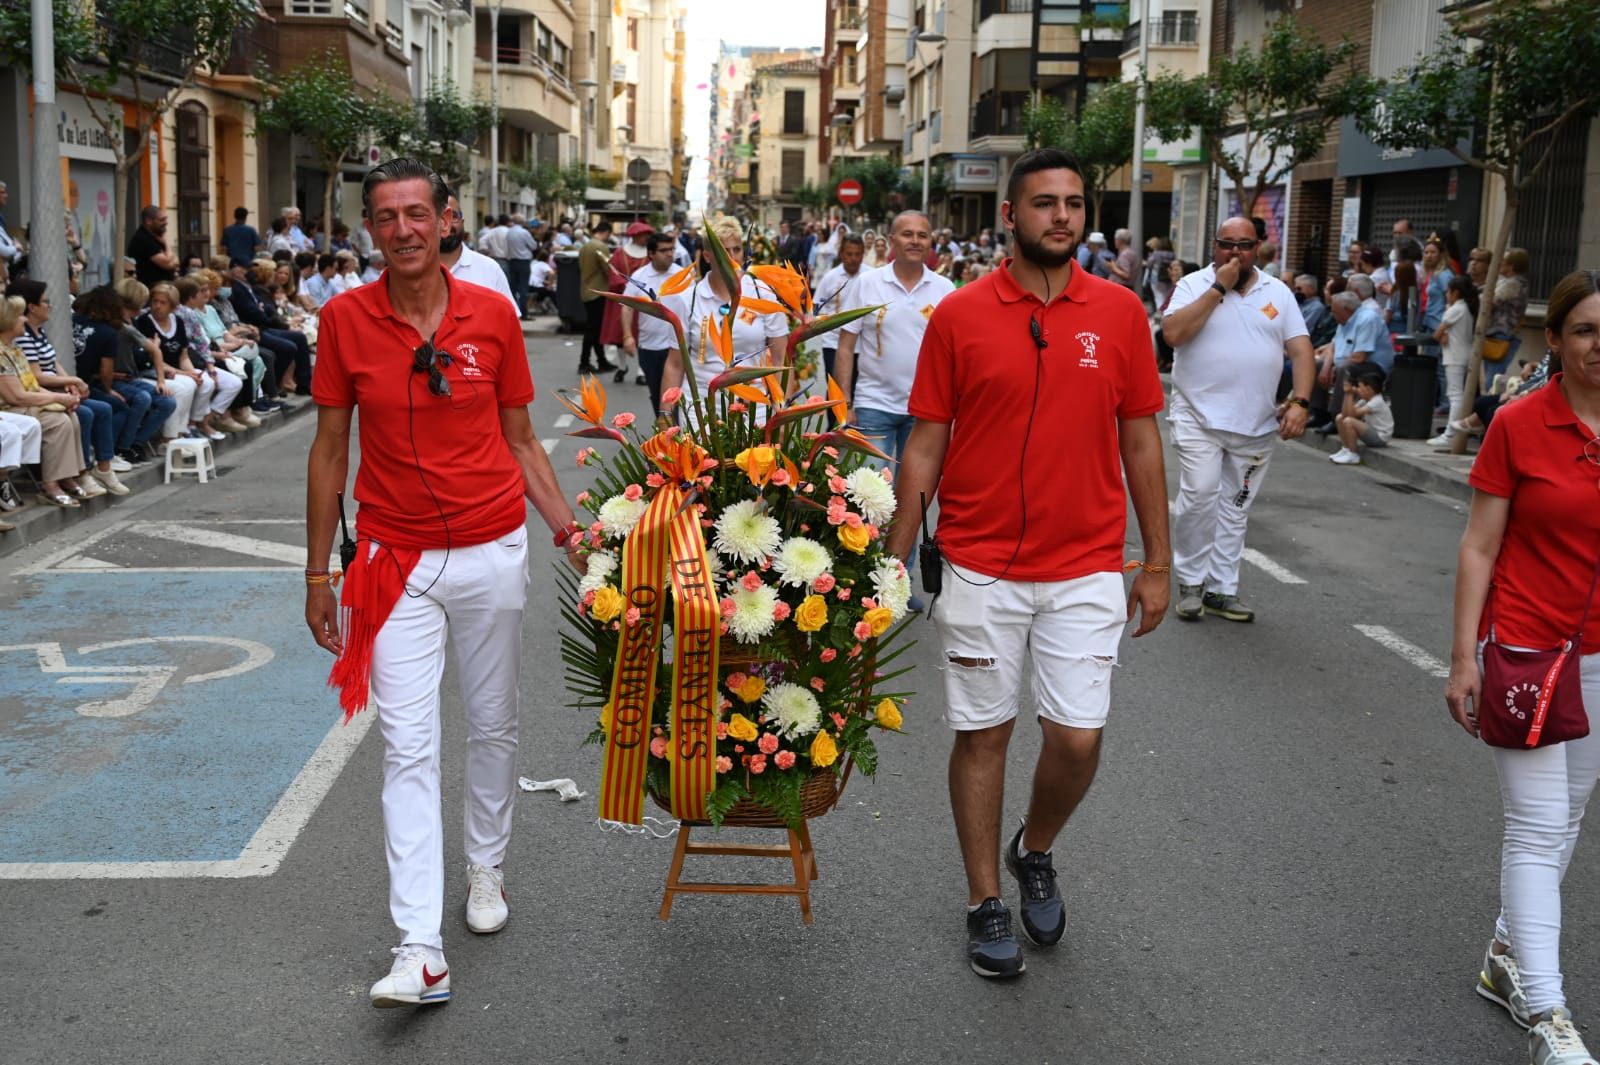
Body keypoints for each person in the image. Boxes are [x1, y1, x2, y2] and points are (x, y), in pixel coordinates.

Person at [304, 157, 582, 1010]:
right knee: (408, 747)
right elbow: (328, 451)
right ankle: (419, 946)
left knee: (493, 725)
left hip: (493, 549)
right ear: (369, 229)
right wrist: (317, 569)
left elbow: (523, 439)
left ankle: (487, 868)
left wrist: (574, 534)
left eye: (416, 213)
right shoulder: (345, 321)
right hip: (396, 562)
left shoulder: (492, 315)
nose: (402, 231)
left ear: (446, 218)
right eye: (385, 218)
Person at [886, 148, 1170, 980]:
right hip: (978, 564)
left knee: (1077, 738)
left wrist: (1156, 560)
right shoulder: (958, 316)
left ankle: (1032, 847)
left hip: (1085, 563)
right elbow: (925, 443)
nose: (1061, 218)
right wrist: (892, 560)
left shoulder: (1120, 314)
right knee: (985, 731)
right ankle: (984, 900)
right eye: (1044, 203)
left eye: (1074, 204)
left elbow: (1142, 437)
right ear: (1009, 216)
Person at [1445, 269, 1600, 1065]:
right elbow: (1479, 545)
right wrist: (1463, 657)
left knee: (1568, 817)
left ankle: (1508, 954)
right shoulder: (1519, 424)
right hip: (1530, 651)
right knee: (1539, 829)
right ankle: (1549, 1014)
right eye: (1585, 330)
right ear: (1557, 340)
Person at [1161, 216, 1314, 624]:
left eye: (1244, 245)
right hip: (1197, 416)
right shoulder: (1194, 285)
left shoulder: (1277, 293)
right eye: (1227, 244)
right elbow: (1173, 334)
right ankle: (1191, 582)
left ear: (1259, 248)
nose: (1235, 252)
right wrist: (1219, 288)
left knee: (1235, 507)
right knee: (1199, 495)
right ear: (1214, 246)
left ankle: (1221, 589)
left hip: (1255, 425)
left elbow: (1300, 350)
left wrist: (1300, 401)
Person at [836, 211, 955, 468]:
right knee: (867, 495)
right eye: (907, 234)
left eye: (922, 235)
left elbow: (955, 354)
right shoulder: (867, 283)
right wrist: (844, 403)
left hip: (925, 411)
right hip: (873, 404)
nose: (915, 241)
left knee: (910, 499)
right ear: (892, 240)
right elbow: (846, 346)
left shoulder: (945, 289)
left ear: (930, 242)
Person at [660, 216, 787, 411]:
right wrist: (665, 414)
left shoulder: (763, 293)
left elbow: (781, 357)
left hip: (755, 405)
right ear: (708, 256)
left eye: (737, 249)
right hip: (702, 409)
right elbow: (675, 363)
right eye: (724, 251)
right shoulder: (689, 299)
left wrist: (781, 406)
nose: (733, 257)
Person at [9, 279, 121, 496]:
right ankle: (79, 472)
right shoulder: (23, 338)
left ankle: (103, 467)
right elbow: (36, 376)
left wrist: (70, 381)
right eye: (45, 301)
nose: (49, 305)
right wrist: (70, 385)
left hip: (52, 389)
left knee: (104, 409)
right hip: (41, 390)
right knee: (85, 413)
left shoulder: (38, 332)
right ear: (31, 307)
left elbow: (54, 363)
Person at [0, 294, 88, 506]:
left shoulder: (14, 349)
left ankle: (67, 476)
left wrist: (63, 399)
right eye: (20, 315)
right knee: (57, 422)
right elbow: (16, 396)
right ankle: (50, 484)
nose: (24, 319)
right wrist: (58, 398)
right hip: (10, 408)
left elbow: (31, 384)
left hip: (23, 404)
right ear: (9, 320)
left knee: (71, 416)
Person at [620, 233, 682, 418]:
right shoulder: (640, 276)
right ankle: (666, 433)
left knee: (678, 398)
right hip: (650, 348)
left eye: (671, 249)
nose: (670, 254)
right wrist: (627, 336)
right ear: (651, 253)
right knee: (658, 396)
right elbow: (627, 308)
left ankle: (678, 437)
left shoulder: (682, 274)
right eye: (664, 251)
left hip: (678, 347)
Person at [437, 191, 518, 314]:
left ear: (462, 222)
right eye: (439, 216)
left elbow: (510, 322)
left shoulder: (490, 269)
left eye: (453, 216)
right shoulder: (409, 270)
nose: (445, 224)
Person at [1428, 276, 1481, 450]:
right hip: (1462, 353)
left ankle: (1450, 433)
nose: (1446, 294)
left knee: (1455, 395)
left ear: (1455, 293)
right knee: (1457, 394)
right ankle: (1452, 431)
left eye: (1448, 291)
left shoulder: (1455, 309)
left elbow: (1438, 335)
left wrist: (1443, 334)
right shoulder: (1466, 308)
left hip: (1455, 356)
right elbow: (1443, 336)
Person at [812, 234, 867, 388]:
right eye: (849, 254)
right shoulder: (830, 277)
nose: (854, 259)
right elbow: (816, 307)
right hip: (833, 342)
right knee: (835, 387)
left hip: (862, 343)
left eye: (858, 254)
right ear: (841, 254)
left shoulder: (870, 277)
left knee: (857, 387)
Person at [604, 222, 653, 384]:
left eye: (648, 234)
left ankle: (641, 370)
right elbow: (612, 273)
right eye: (643, 234)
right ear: (635, 236)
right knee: (620, 336)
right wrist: (625, 285)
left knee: (641, 336)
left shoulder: (650, 254)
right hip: (621, 300)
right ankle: (622, 366)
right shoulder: (620, 253)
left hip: (642, 301)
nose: (646, 237)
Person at [1330, 364, 1392, 465]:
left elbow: (1351, 416)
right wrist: (1347, 394)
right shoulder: (1365, 400)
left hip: (1380, 438)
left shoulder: (1377, 402)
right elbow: (1346, 414)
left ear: (1369, 389)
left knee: (1349, 422)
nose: (1357, 389)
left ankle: (1353, 454)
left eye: (1359, 387)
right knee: (1339, 417)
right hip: (1371, 432)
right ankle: (1346, 449)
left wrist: (1349, 394)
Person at [578, 221, 617, 375]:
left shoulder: (585, 246)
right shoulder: (600, 247)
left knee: (594, 329)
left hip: (587, 290)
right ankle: (585, 362)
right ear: (606, 232)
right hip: (598, 292)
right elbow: (609, 270)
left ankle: (600, 361)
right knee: (593, 329)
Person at [127, 206, 178, 288]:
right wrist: (166, 244)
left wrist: (170, 259)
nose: (166, 223)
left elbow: (176, 262)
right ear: (148, 221)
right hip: (150, 289)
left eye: (165, 219)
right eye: (161, 220)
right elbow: (166, 263)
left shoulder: (156, 236)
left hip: (163, 286)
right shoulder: (143, 239)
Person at [505, 215, 537, 318]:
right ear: (522, 222)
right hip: (523, 261)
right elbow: (533, 246)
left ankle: (514, 311)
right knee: (523, 287)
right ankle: (524, 312)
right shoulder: (524, 232)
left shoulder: (509, 232)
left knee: (513, 288)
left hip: (512, 261)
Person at [1106, 228, 1140, 293]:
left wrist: (1113, 267)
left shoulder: (1125, 254)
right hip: (1125, 287)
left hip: (1121, 288)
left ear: (1119, 241)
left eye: (1115, 239)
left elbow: (1126, 275)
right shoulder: (1131, 253)